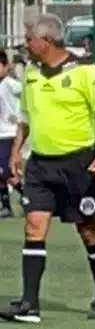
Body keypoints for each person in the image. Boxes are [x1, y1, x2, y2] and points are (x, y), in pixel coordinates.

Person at [1, 14, 95, 323]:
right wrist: (16, 152)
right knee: (33, 228)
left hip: (79, 164)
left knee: (88, 230)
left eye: (29, 40)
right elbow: (25, 117)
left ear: (47, 41)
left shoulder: (86, 72)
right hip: (40, 164)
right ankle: (29, 304)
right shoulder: (30, 74)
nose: (25, 45)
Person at [0, 49, 21, 218]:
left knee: (6, 171)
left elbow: (27, 93)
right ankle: (6, 205)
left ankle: (26, 194)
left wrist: (18, 115)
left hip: (9, 133)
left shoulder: (9, 83)